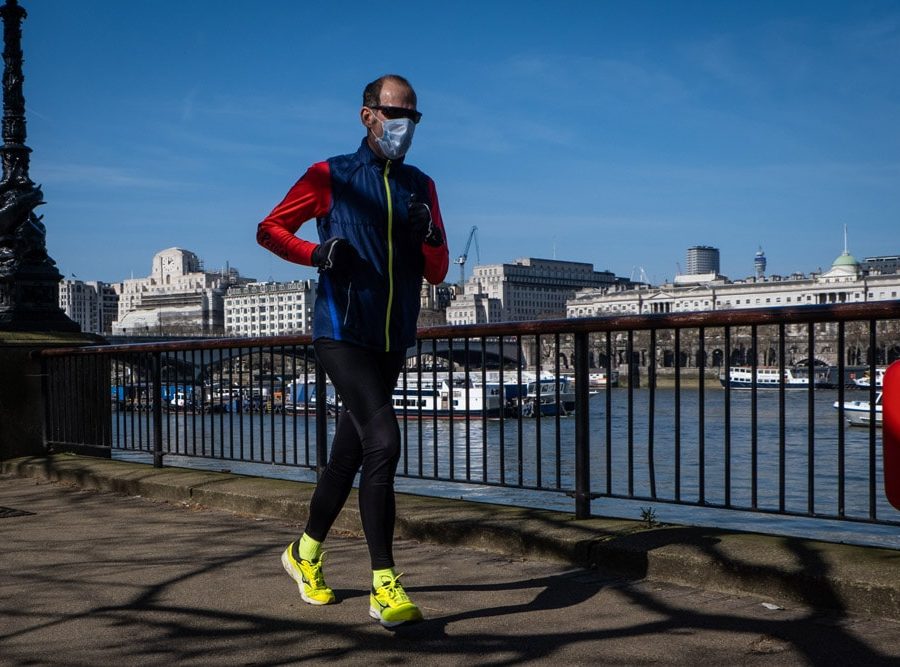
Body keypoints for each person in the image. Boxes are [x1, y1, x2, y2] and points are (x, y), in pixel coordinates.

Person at [256, 74, 449, 627]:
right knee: (384, 441)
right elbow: (270, 229)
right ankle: (384, 583)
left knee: (349, 454)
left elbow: (437, 271)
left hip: (392, 337)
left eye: (413, 116)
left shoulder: (421, 185)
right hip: (340, 331)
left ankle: (304, 554)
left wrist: (430, 234)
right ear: (368, 115)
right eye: (396, 114)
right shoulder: (330, 174)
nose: (405, 125)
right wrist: (315, 254)